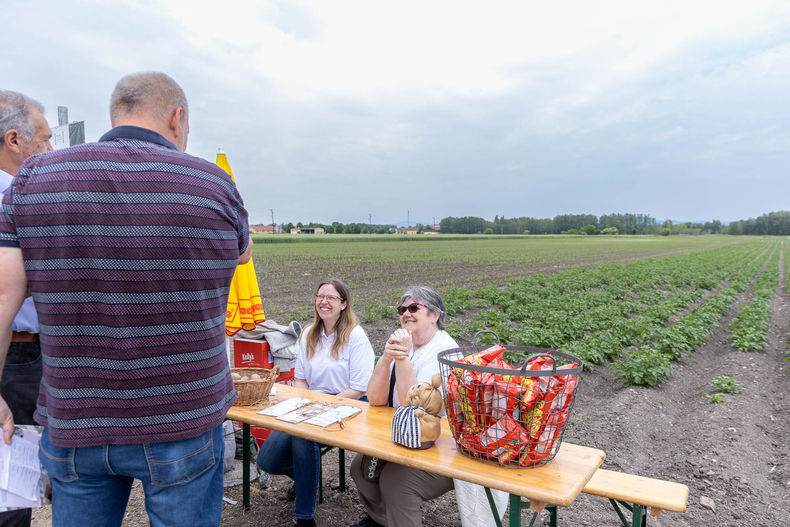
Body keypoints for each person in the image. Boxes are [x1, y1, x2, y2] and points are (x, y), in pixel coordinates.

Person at [0, 72, 251, 527]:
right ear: (177, 119)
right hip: (184, 418)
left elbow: (2, 298)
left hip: (77, 418)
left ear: (116, 114)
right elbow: (242, 251)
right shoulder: (215, 185)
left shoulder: (33, 179)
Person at [258, 279, 374, 527]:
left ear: (343, 304)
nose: (324, 301)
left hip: (348, 405)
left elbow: (358, 387)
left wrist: (323, 406)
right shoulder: (309, 333)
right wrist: (307, 405)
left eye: (331, 298)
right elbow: (300, 380)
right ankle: (306, 477)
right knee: (266, 460)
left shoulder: (356, 336)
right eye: (320, 296)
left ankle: (304, 516)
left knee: (302, 436)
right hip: (309, 405)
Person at [349, 286, 458, 527]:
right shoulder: (404, 345)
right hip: (400, 434)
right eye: (402, 309)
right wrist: (387, 357)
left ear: (434, 315)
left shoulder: (445, 352)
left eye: (414, 308)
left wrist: (401, 358)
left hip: (437, 442)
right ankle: (382, 520)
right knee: (361, 468)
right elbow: (375, 399)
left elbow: (415, 406)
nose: (406, 313)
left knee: (396, 481)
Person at [0, 90, 52, 527]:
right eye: (46, 139)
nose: (51, 150)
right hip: (14, 356)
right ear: (14, 140)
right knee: (10, 487)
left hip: (26, 353)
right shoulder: (14, 200)